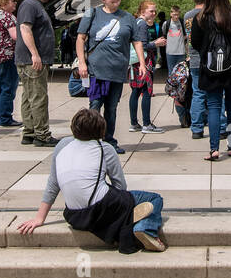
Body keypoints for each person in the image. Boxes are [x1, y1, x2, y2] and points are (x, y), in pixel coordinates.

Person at [17, 108, 166, 252]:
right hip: (101, 208)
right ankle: (144, 228)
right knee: (155, 199)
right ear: (101, 130)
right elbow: (120, 185)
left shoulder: (62, 145)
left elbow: (53, 184)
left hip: (74, 215)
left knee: (103, 190)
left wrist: (39, 218)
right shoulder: (105, 148)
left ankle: (129, 219)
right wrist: (123, 213)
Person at [77, 0, 148, 156]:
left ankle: (109, 141)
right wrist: (82, 63)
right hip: (96, 69)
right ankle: (91, 141)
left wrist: (142, 63)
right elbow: (80, 38)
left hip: (117, 70)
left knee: (111, 107)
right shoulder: (92, 13)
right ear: (103, 0)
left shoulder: (128, 18)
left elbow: (137, 41)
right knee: (95, 106)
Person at [190, 0, 231, 160]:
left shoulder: (201, 18)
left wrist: (208, 52)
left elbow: (194, 42)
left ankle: (214, 149)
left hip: (211, 68)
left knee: (214, 107)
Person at [14, 0, 59, 147]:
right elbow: (25, 28)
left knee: (29, 96)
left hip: (30, 61)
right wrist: (35, 54)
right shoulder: (30, 5)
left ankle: (30, 132)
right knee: (39, 97)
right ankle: (42, 134)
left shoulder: (34, 5)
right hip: (31, 61)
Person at [127, 0, 165, 134]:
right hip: (143, 62)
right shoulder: (142, 24)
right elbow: (142, 45)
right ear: (143, 11)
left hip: (135, 63)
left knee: (135, 92)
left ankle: (134, 123)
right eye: (151, 11)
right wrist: (156, 43)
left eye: (155, 11)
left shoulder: (136, 22)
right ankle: (147, 124)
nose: (154, 13)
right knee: (147, 92)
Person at [185, 0, 212, 140]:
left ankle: (196, 128)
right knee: (215, 94)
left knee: (197, 93)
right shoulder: (209, 14)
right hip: (210, 58)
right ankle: (221, 125)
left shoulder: (187, 15)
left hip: (193, 58)